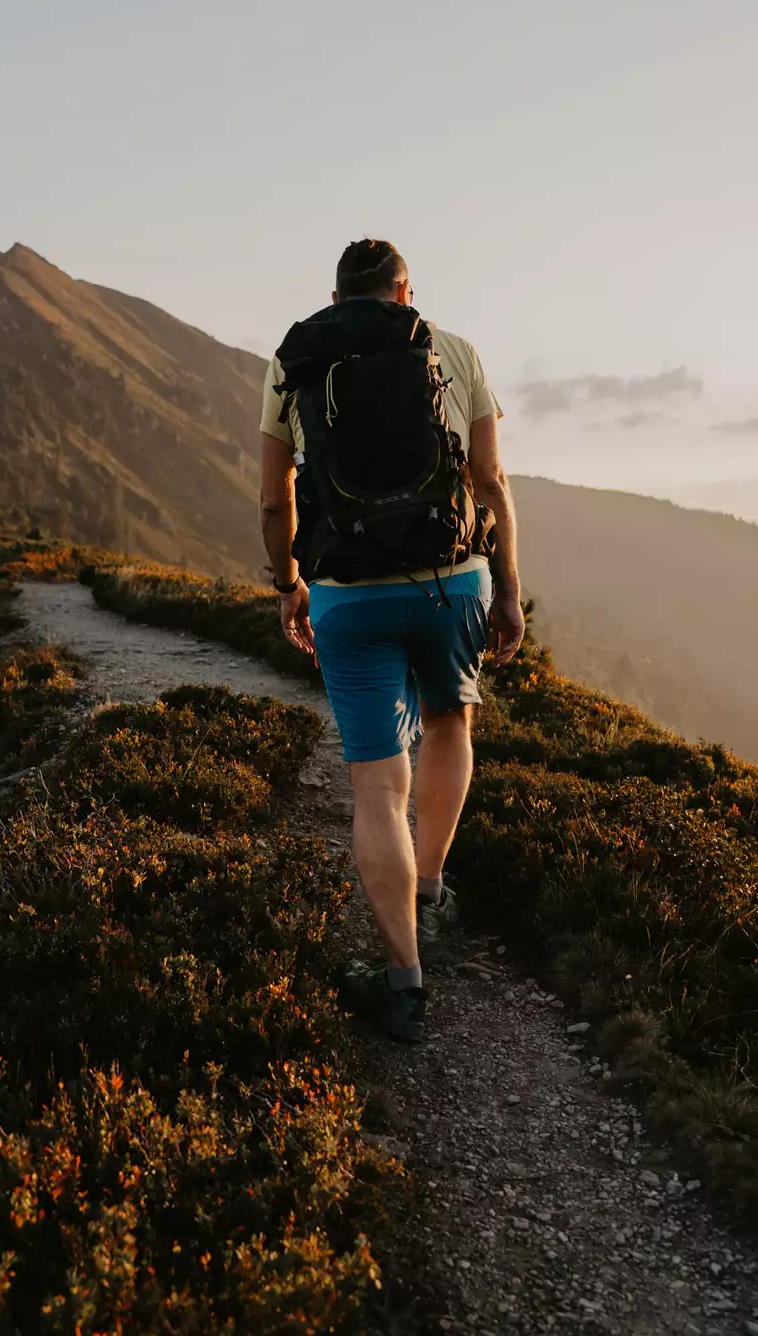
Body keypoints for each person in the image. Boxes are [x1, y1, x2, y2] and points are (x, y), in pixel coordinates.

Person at [258, 238, 524, 1042]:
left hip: (347, 595)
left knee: (378, 787)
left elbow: (275, 500)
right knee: (450, 721)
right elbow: (490, 483)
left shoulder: (296, 358)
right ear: (403, 291)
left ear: (338, 295)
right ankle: (433, 887)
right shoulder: (454, 350)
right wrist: (507, 588)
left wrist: (288, 586)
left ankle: (403, 983)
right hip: (452, 581)